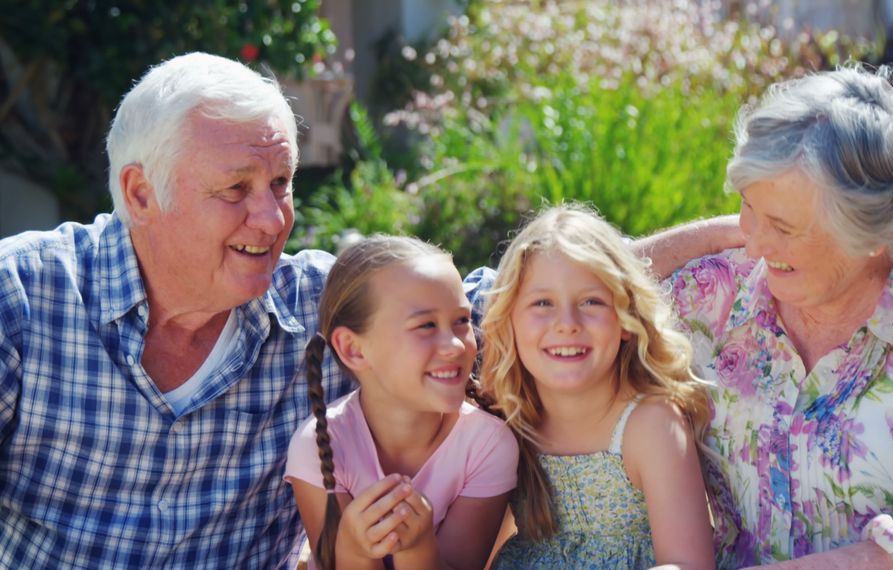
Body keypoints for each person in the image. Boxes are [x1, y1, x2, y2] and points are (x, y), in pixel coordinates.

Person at [638, 64, 893, 568]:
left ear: (871, 233)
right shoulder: (715, 293)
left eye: (783, 225)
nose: (756, 243)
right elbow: (546, 292)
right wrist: (711, 234)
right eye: (747, 206)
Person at [0, 52, 356, 568]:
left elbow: (492, 311)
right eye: (236, 188)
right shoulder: (21, 298)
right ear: (141, 194)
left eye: (281, 183)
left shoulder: (326, 307)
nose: (273, 218)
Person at [478, 204, 719, 569]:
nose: (567, 323)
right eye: (542, 303)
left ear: (627, 319)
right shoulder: (509, 418)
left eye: (591, 301)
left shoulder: (650, 425)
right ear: (509, 319)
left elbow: (689, 564)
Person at [284, 235, 517, 569]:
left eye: (462, 320)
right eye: (426, 325)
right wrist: (355, 549)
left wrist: (417, 550)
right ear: (353, 349)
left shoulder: (487, 445)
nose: (454, 344)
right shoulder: (320, 447)